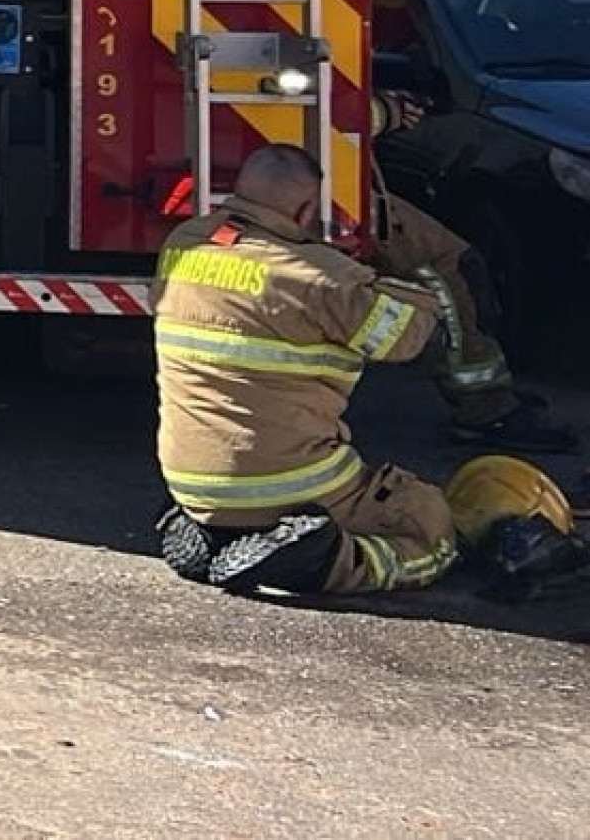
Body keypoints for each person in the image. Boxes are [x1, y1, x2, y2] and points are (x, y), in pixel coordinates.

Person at [153, 142, 459, 597]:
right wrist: (413, 286)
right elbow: (408, 338)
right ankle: (322, 561)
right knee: (426, 521)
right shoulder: (321, 278)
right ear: (305, 208)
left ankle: (218, 536)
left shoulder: (183, 244)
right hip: (289, 485)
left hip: (189, 481)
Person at [368, 87, 575, 452]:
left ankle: (487, 401)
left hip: (288, 191)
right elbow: (323, 121)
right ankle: (484, 410)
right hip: (320, 195)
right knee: (451, 268)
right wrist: (386, 111)